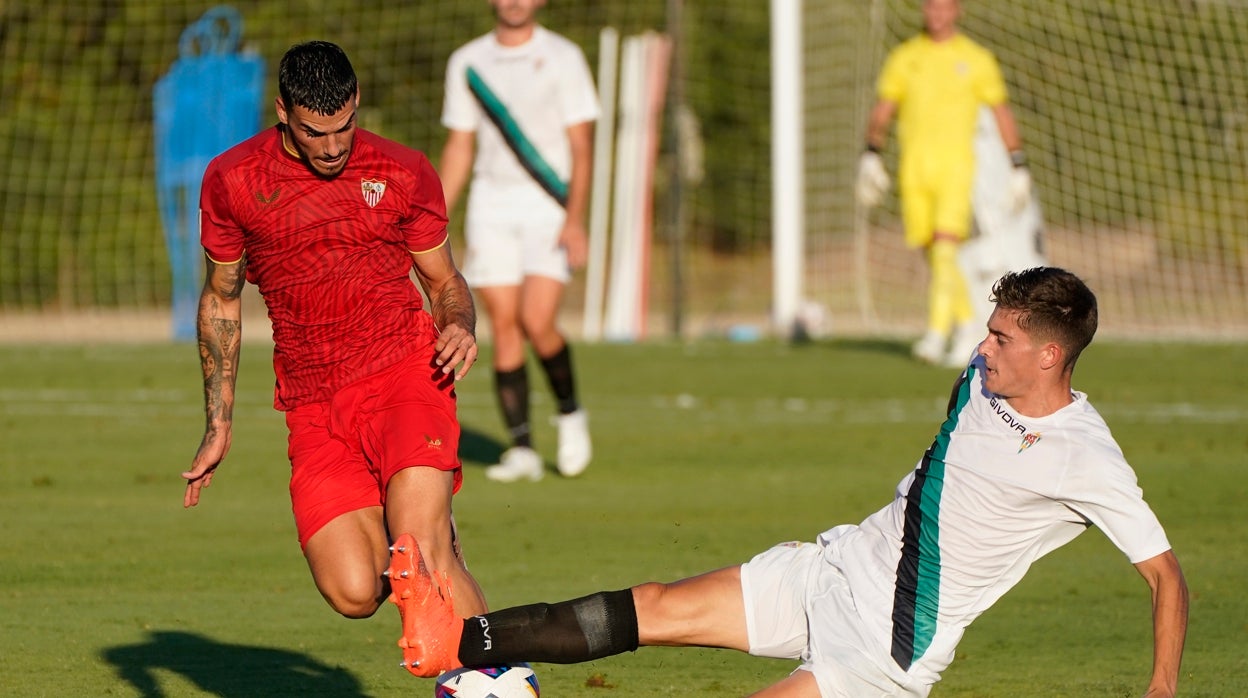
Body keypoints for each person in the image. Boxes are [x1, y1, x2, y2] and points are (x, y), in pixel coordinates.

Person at [387, 267, 1190, 697]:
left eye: (1002, 337)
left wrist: (1160, 688)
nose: (983, 347)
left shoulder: (1087, 457)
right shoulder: (980, 380)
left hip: (884, 651)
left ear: (1050, 355)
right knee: (651, 606)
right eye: (987, 330)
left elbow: (1164, 576)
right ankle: (457, 644)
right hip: (829, 568)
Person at [183, 40, 490, 673]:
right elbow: (221, 298)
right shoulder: (233, 179)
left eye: (344, 126)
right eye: (314, 132)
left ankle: (493, 682)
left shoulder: (402, 170)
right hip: (315, 404)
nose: (332, 147)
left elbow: (445, 282)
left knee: (418, 552)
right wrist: (218, 422)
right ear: (283, 113)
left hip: (406, 373)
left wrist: (459, 323)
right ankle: (425, 524)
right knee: (354, 590)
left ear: (356, 104)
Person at [437, 0, 598, 482]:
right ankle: (522, 449)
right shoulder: (468, 62)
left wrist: (576, 220)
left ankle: (570, 413)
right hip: (491, 207)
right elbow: (460, 146)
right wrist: (434, 216)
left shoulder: (564, 56)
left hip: (549, 205)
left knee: (536, 319)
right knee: (504, 324)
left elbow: (582, 147)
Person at [857, 0, 1033, 369]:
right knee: (934, 254)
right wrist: (871, 154)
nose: (937, 14)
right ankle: (966, 323)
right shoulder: (905, 57)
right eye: (931, 7)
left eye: (944, 7)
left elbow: (1001, 110)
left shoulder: (975, 58)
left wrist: (1018, 164)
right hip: (914, 171)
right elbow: (884, 108)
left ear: (957, 11)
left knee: (945, 249)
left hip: (955, 170)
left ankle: (937, 334)